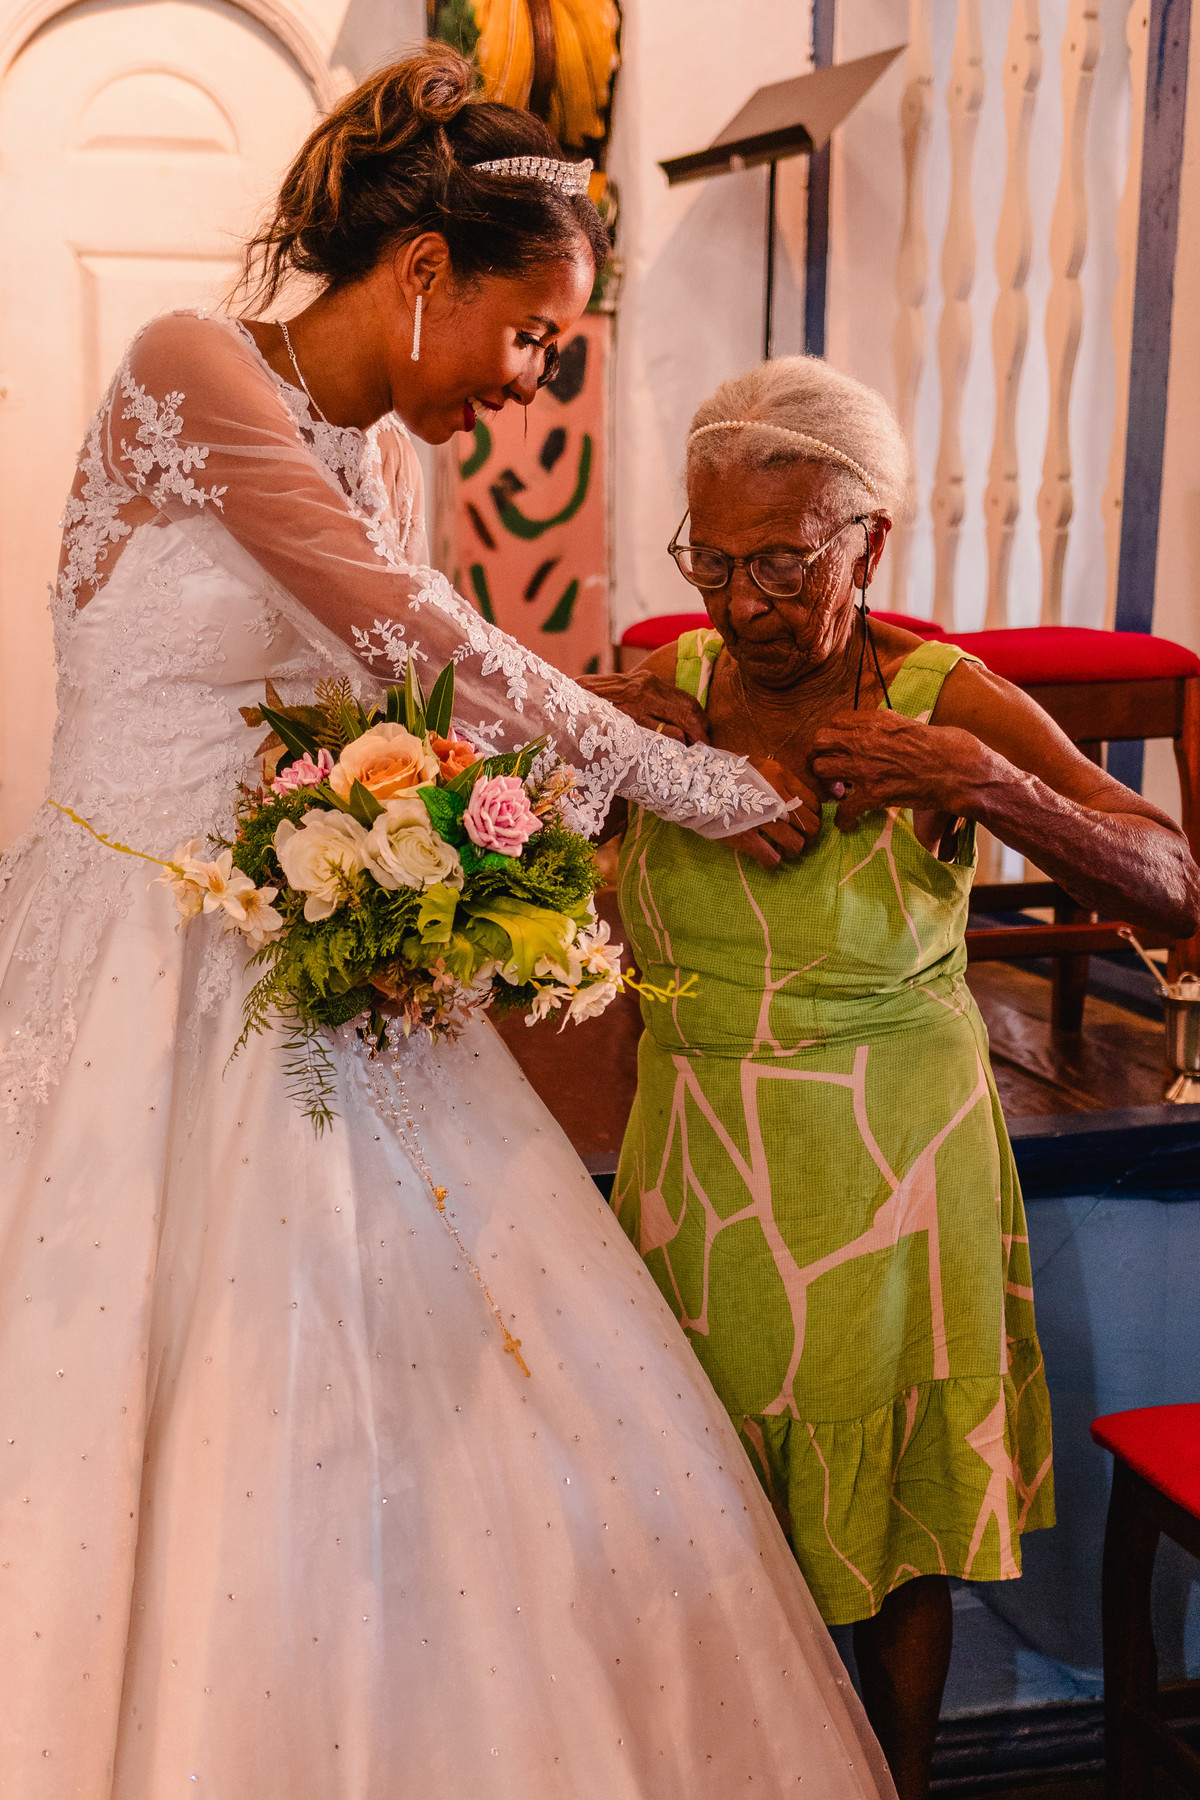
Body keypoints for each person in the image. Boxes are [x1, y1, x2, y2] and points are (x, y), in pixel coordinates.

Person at [0, 49, 900, 1800]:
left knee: (385, 1415)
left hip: (287, 965)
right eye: (531, 333)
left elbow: (404, 723)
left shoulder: (384, 457)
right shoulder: (189, 366)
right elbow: (420, 633)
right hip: (114, 952)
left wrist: (501, 832)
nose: (533, 378)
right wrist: (674, 774)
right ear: (424, 274)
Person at [591, 356, 1200, 1800]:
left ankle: (892, 1785)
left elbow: (1175, 882)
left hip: (890, 1163)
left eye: (785, 564)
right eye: (714, 560)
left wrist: (985, 785)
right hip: (701, 1153)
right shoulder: (666, 689)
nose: (742, 605)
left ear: (871, 540)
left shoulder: (950, 699)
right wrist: (603, 750)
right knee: (695, 1505)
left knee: (892, 1523)